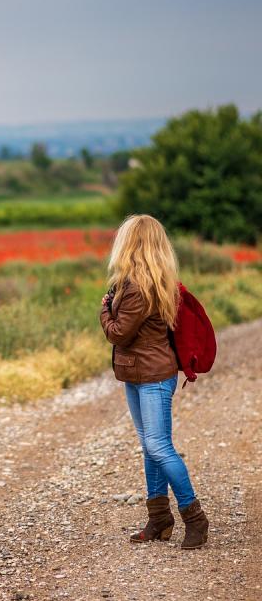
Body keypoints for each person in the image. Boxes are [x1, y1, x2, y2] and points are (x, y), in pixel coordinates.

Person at [99, 214, 209, 549]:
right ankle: (159, 518)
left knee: (159, 447)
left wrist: (104, 308)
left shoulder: (136, 288)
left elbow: (117, 332)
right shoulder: (156, 281)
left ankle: (195, 517)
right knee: (151, 447)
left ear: (130, 244)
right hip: (140, 373)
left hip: (151, 377)